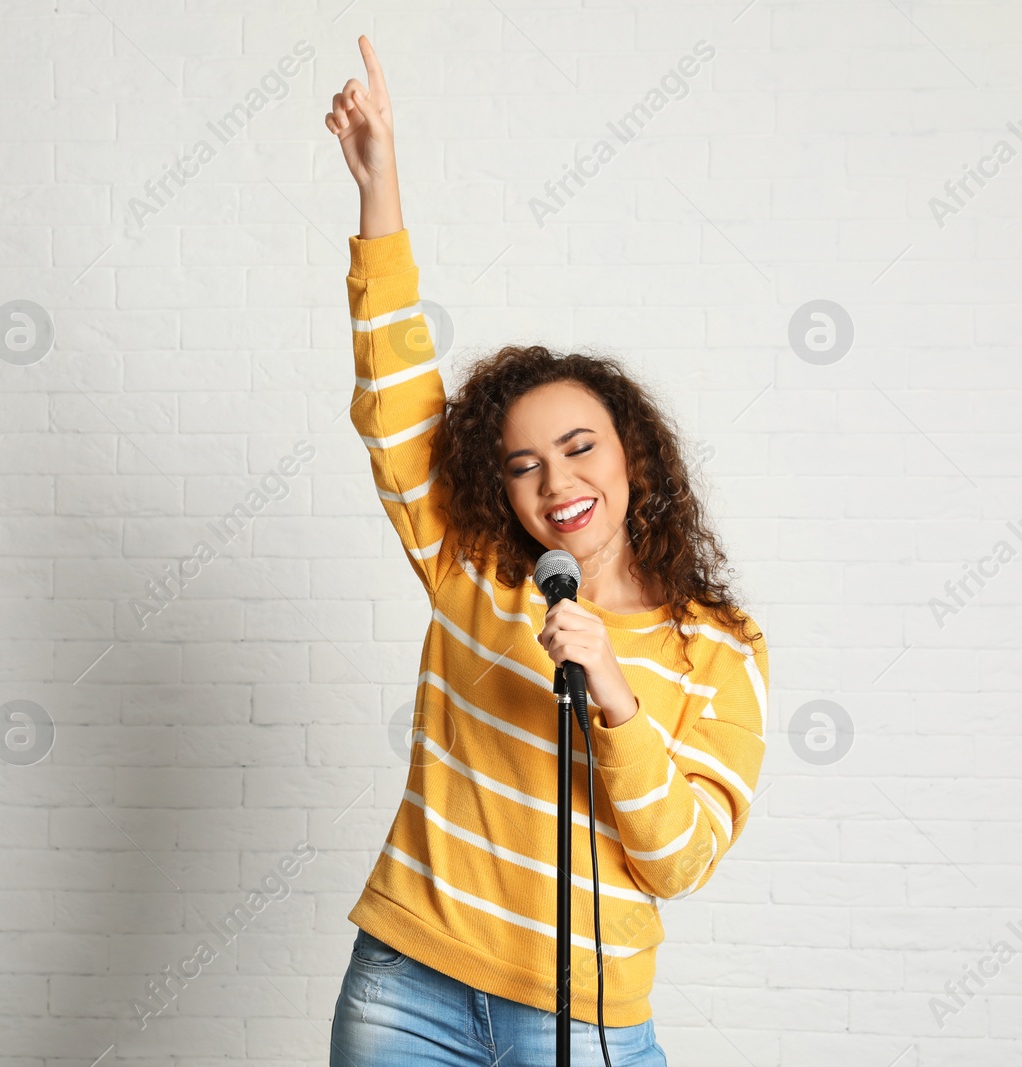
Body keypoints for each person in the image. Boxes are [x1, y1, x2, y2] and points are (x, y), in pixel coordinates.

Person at [323, 35, 770, 1067]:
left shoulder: (718, 647)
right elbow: (396, 400)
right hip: (407, 986)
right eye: (522, 465)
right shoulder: (472, 571)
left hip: (585, 1016)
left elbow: (680, 859)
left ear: (634, 459)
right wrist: (379, 189)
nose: (556, 482)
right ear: (501, 491)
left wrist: (612, 692)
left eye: (578, 448)